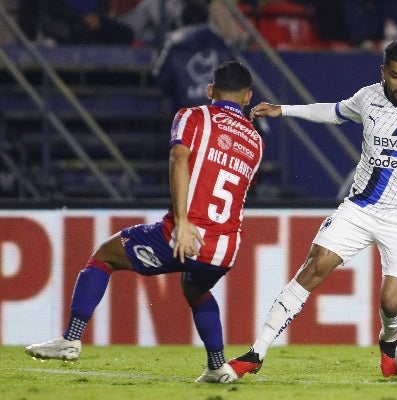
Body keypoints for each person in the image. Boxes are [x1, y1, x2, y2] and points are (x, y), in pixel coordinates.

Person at [226, 39, 397, 380]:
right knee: (314, 267)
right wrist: (285, 110)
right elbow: (334, 112)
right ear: (383, 72)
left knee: (391, 303)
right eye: (396, 76)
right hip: (361, 209)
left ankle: (388, 343)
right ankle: (256, 352)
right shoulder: (368, 98)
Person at [25, 61, 264, 384]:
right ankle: (218, 365)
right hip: (225, 248)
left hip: (185, 232)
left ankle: (70, 339)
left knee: (105, 255)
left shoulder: (192, 116)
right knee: (195, 289)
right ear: (247, 97)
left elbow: (179, 159)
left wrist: (181, 222)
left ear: (210, 90)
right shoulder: (255, 140)